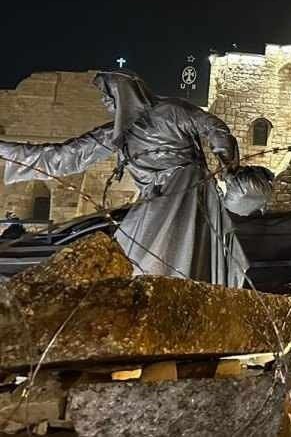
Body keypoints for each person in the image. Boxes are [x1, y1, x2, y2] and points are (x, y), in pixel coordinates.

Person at [0, 71, 249, 287]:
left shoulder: (171, 112)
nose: (106, 102)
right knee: (130, 242)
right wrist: (6, 150)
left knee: (150, 244)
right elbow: (65, 156)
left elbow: (213, 127)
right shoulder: (117, 133)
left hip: (186, 187)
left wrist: (227, 166)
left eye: (109, 97)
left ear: (125, 94)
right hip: (153, 195)